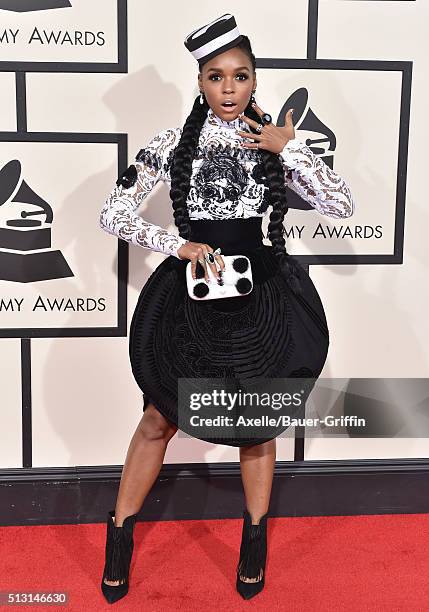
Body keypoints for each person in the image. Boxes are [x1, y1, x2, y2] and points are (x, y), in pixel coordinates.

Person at [98, 13, 355, 603]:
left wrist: (291, 153)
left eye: (241, 76)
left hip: (262, 297)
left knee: (255, 426)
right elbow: (113, 215)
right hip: (192, 300)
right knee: (158, 419)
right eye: (217, 77)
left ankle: (254, 540)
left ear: (256, 81)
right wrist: (176, 243)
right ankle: (119, 534)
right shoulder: (170, 145)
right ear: (201, 83)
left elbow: (341, 206)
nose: (230, 88)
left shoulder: (277, 141)